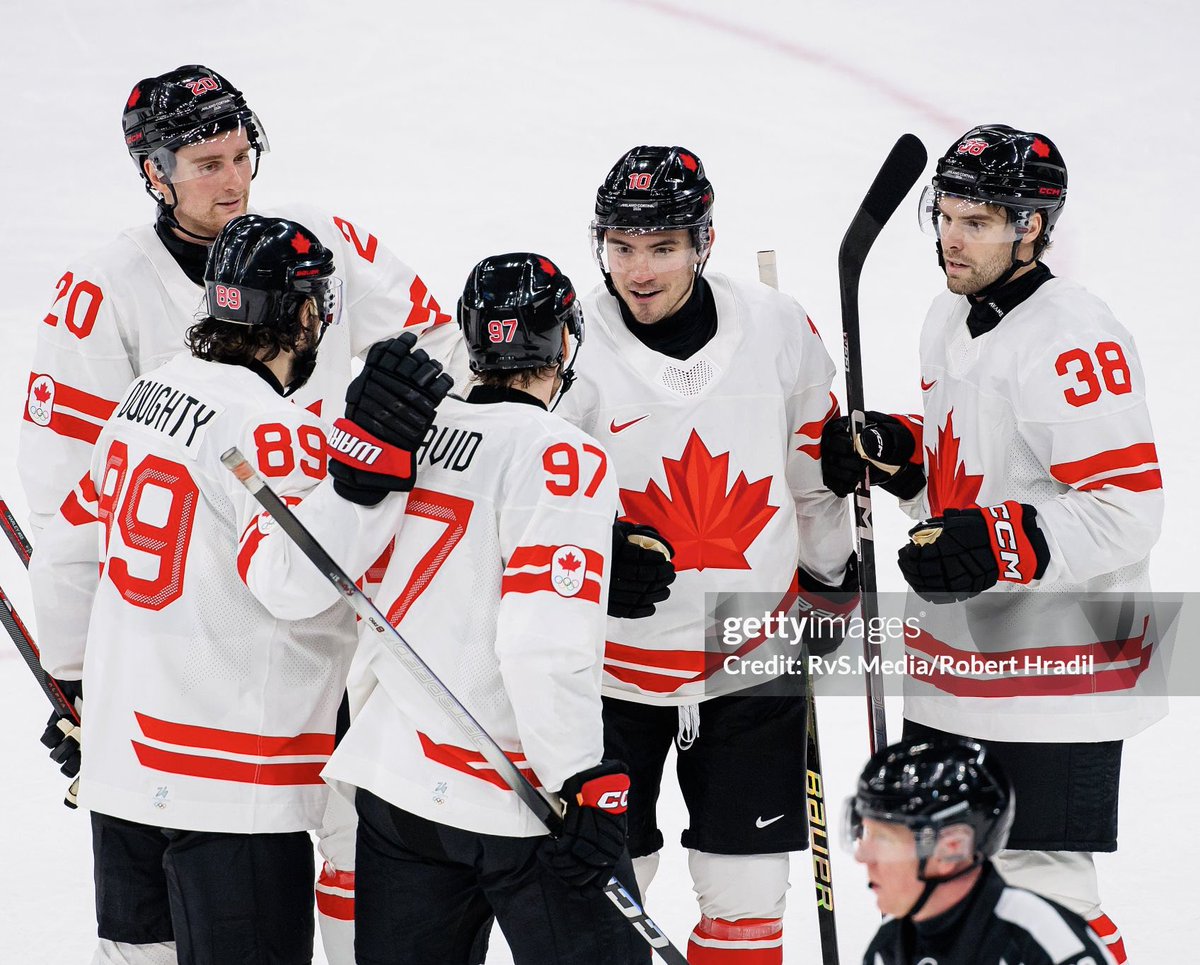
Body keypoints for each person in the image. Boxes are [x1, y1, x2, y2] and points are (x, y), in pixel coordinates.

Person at [21, 64, 456, 963]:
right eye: (209, 163)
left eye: (241, 156)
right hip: (241, 660)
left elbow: (441, 347)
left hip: (280, 641)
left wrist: (83, 678)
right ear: (156, 173)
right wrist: (77, 685)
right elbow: (69, 508)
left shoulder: (313, 251)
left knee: (349, 846)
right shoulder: (105, 295)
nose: (233, 181)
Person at [822, 124, 1162, 964]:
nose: (950, 237)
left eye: (976, 221)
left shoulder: (1074, 334)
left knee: (1047, 894)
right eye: (945, 213)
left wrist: (1002, 539)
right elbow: (966, 478)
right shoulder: (948, 317)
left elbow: (1127, 507)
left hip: (1059, 667)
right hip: (958, 664)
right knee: (951, 887)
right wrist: (901, 455)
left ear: (1032, 227)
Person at [555, 145, 856, 964]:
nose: (638, 269)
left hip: (751, 657)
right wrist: (591, 557)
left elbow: (811, 471)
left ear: (703, 242)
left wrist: (834, 576)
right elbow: (526, 504)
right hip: (609, 675)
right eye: (620, 246)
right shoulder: (565, 348)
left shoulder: (776, 325)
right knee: (609, 903)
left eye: (660, 247)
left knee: (749, 902)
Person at [320, 252, 649, 965]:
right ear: (565, 341)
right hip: (519, 803)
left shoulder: (410, 435)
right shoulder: (566, 457)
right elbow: (541, 641)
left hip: (397, 789)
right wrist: (580, 778)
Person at [850, 736, 1117, 964]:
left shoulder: (1046, 941)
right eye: (865, 835)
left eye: (885, 840)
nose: (862, 857)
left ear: (951, 848)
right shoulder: (888, 947)